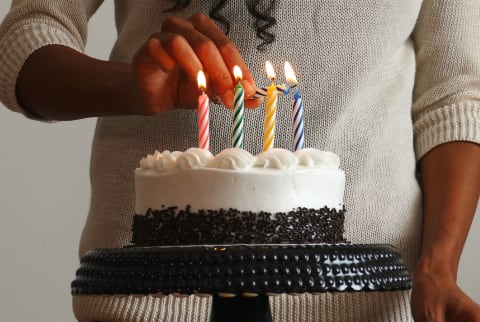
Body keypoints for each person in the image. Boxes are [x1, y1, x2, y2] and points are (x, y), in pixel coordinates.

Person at [1, 1, 479, 321]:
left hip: (360, 298)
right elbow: (22, 40)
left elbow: (456, 95)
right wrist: (126, 85)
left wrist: (438, 267)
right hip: (152, 297)